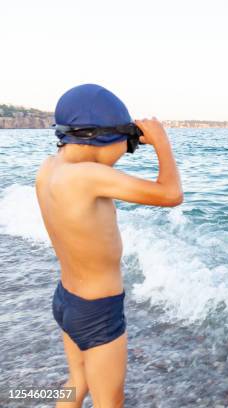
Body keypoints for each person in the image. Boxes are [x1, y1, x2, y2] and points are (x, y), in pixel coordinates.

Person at [35, 84, 183, 407]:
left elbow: (99, 160)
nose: (125, 151)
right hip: (98, 313)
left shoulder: (49, 169)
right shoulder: (88, 177)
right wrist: (160, 142)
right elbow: (171, 193)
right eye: (124, 145)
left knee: (77, 383)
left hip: (66, 300)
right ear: (94, 137)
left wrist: (123, 137)